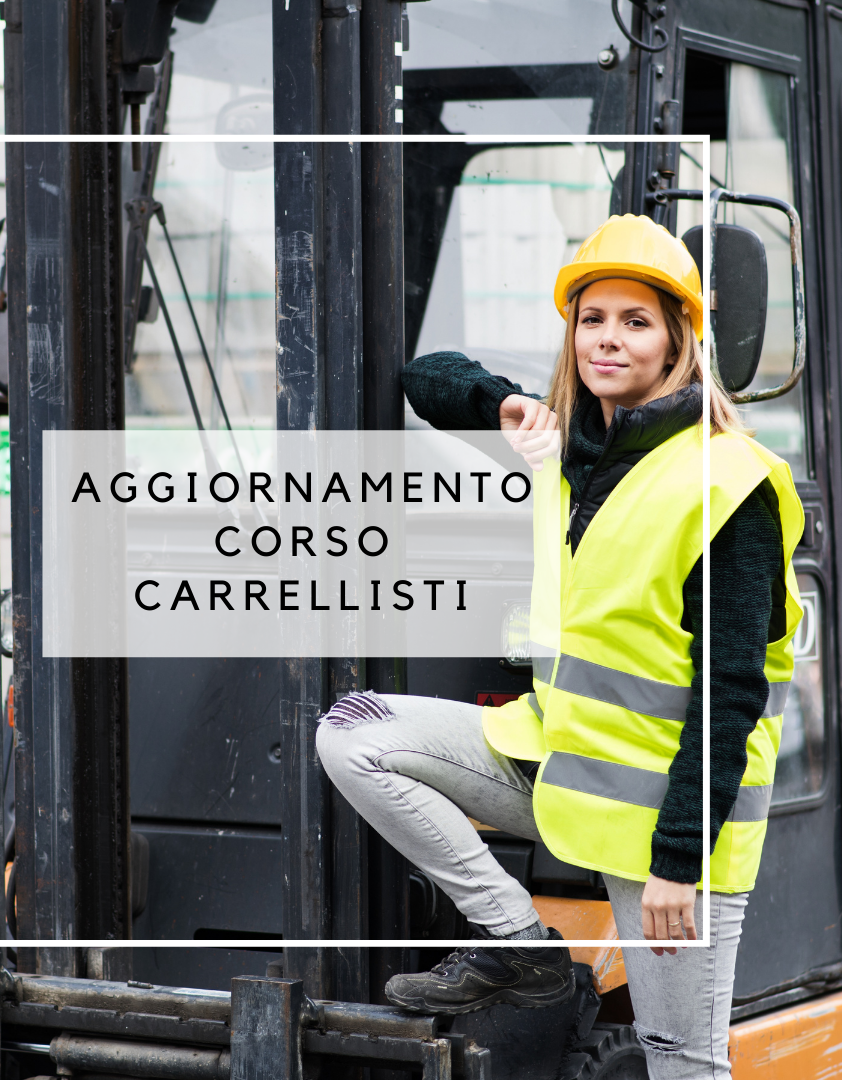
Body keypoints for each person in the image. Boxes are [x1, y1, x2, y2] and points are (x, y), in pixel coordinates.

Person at [315, 214, 804, 1078]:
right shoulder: (573, 453)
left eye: (635, 321)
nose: (607, 338)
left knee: (681, 1057)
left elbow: (732, 690)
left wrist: (678, 865)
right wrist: (503, 405)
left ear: (678, 341)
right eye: (591, 319)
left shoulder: (729, 482)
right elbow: (424, 378)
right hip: (565, 763)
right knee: (356, 735)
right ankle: (520, 945)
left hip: (670, 815)